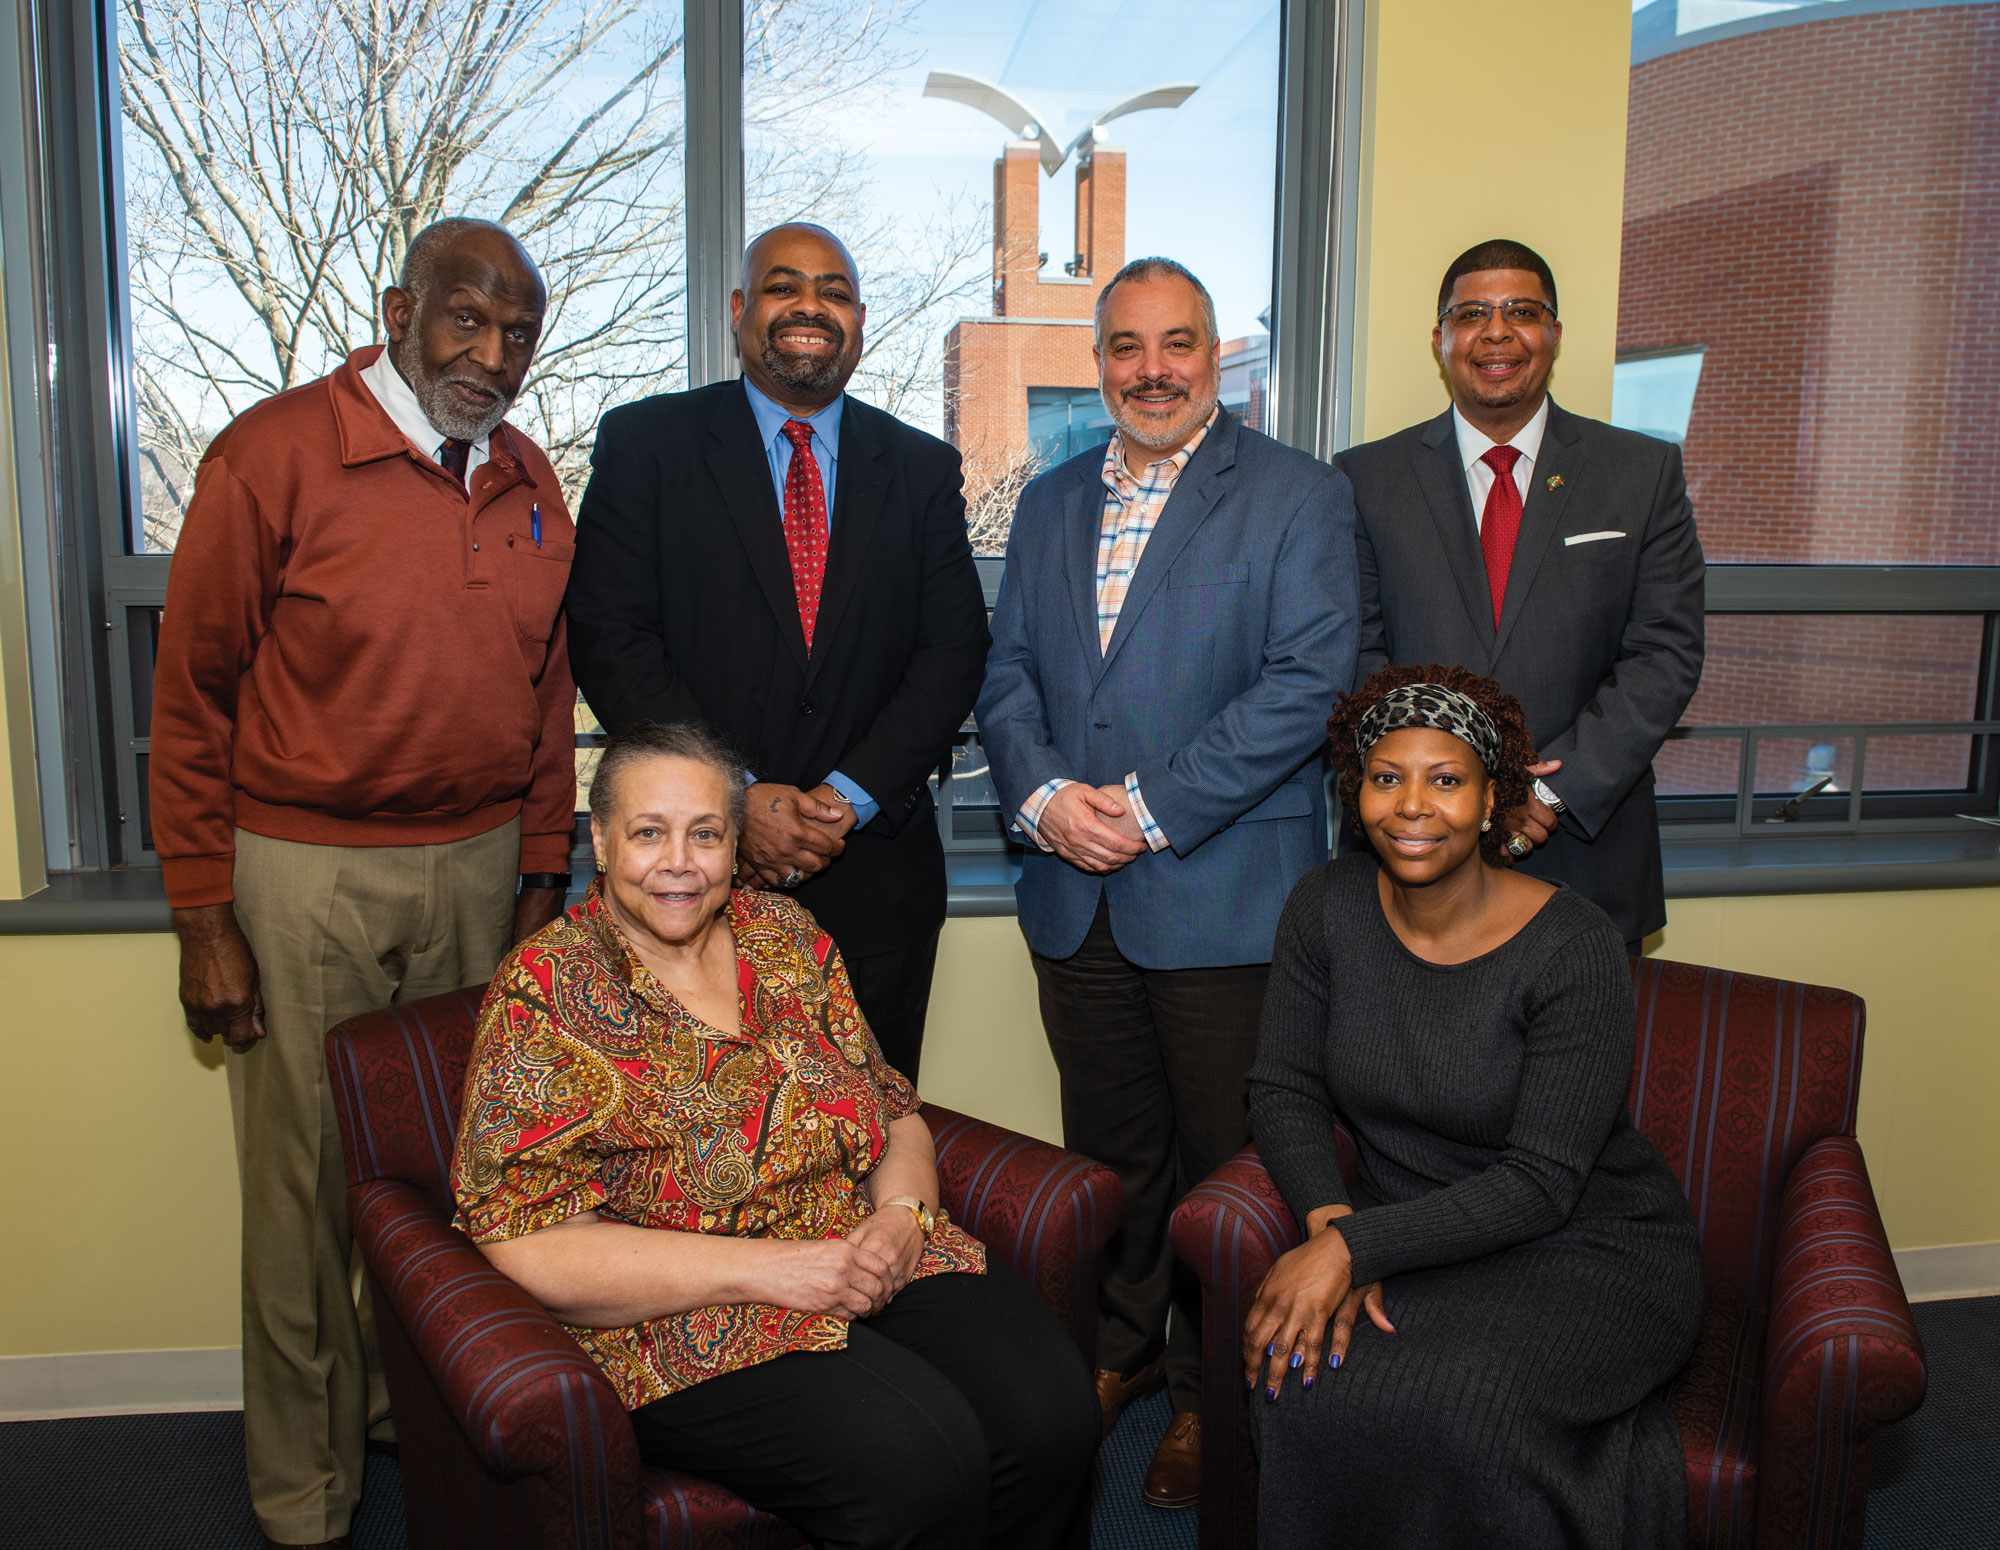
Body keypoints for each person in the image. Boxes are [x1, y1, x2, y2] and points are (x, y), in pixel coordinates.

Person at [149, 217, 577, 1549]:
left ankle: (411, 1411)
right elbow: (193, 695)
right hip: (304, 872)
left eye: (517, 333)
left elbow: (548, 696)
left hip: (475, 864)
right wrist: (204, 912)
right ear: (399, 309)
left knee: (450, 1176)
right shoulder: (273, 453)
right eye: (465, 318)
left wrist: (541, 874)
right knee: (306, 1186)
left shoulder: (525, 479)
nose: (490, 353)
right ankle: (299, 1489)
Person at [452, 721, 1100, 1549]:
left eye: (706, 834)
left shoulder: (786, 937)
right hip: (686, 1314)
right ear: (604, 844)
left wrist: (902, 1219)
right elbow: (525, 1240)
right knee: (916, 1463)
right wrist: (776, 1271)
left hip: (864, 1249)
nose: (679, 861)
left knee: (1053, 1414)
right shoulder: (544, 990)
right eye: (649, 833)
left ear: (733, 846)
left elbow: (893, 1107)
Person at [976, 255, 1358, 1507]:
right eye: (1125, 345)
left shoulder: (1297, 496)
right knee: (1111, 1150)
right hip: (1072, 895)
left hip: (1218, 895)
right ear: (1096, 361)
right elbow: (1010, 675)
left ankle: (1216, 1394)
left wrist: (1141, 812)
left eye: (1177, 342)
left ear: (1215, 353)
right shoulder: (1045, 501)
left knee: (1223, 1169)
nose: (1151, 368)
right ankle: (1124, 1353)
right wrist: (1041, 799)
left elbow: (1305, 686)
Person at [1243, 664, 1703, 1549]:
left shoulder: (1575, 946)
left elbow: (1542, 1181)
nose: (1412, 805)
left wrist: (1354, 1247)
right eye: (1387, 778)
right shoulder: (1324, 908)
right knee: (1299, 1379)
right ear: (1357, 793)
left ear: (1495, 799)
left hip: (1590, 1243)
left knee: (1467, 1411)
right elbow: (1283, 1088)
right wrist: (1331, 1218)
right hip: (1419, 1232)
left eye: (1446, 779)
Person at [564, 222, 989, 1082]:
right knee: (695, 1146)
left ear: (860, 319)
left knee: (869, 1133)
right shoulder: (648, 446)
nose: (810, 307)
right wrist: (737, 798)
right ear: (738, 310)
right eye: (784, 286)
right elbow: (612, 639)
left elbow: (953, 651)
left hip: (875, 880)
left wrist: (846, 797)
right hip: (687, 879)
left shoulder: (921, 469)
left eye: (833, 291)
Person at [1336, 237, 1704, 951]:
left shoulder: (1641, 472)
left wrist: (1544, 793)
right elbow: (1359, 657)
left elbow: (1666, 654)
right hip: (1414, 851)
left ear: (1555, 334)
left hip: (1586, 851)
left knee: (1580, 1063)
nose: (1496, 332)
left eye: (1521, 311)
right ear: (1440, 339)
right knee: (1405, 1062)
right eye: (1471, 313)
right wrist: (1448, 791)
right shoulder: (1364, 480)